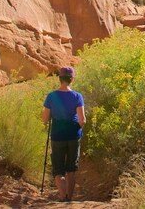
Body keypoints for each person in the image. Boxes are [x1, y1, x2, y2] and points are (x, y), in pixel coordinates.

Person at [42, 66, 85, 202]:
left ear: (60, 78)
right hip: (73, 135)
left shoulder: (51, 96)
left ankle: (63, 197)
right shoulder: (77, 96)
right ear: (72, 79)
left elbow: (44, 119)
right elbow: (82, 120)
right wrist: (76, 125)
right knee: (71, 170)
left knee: (58, 170)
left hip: (57, 136)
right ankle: (69, 200)